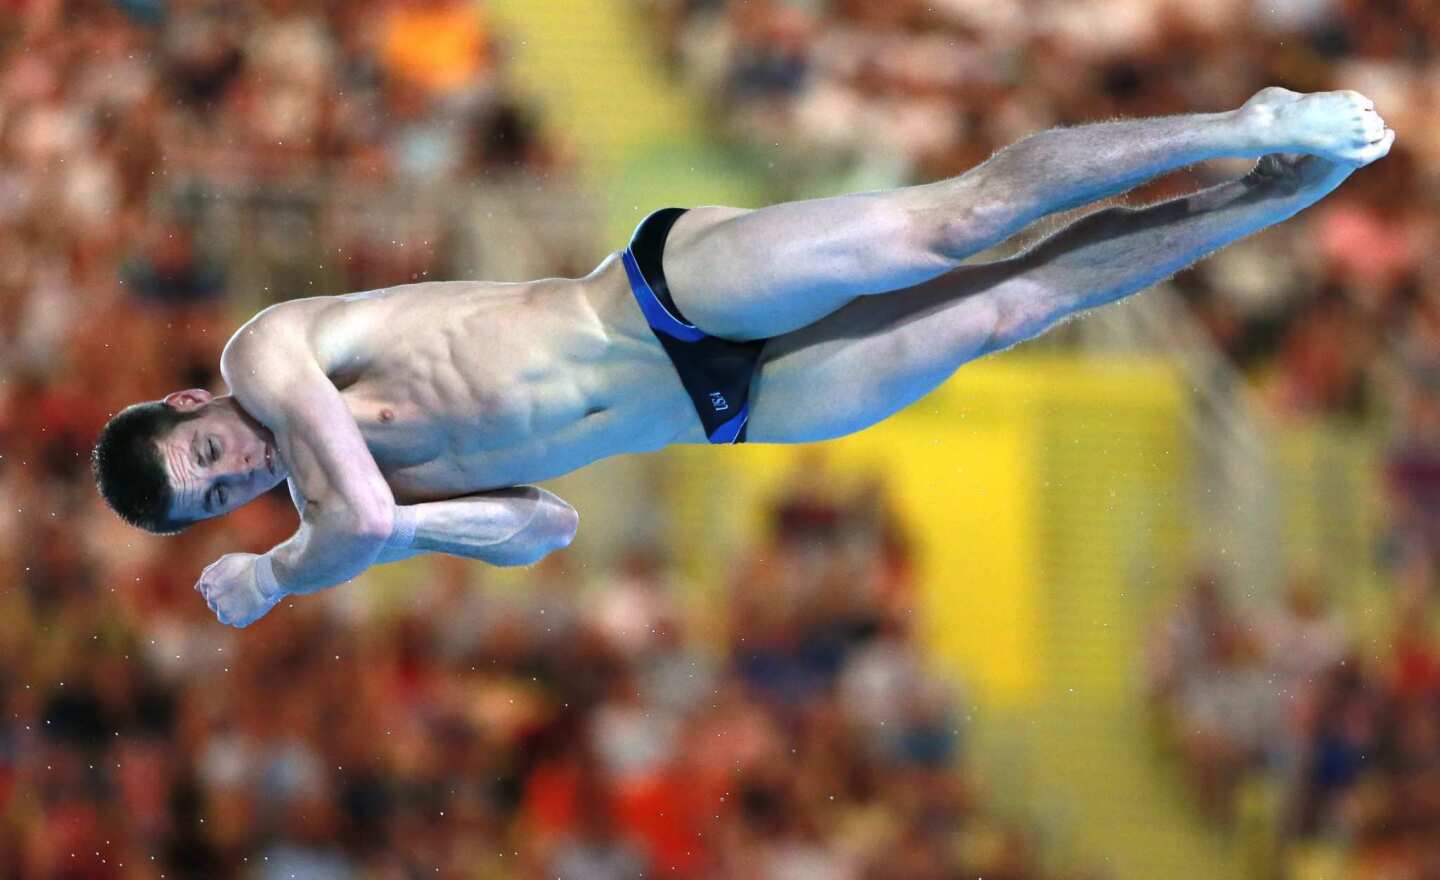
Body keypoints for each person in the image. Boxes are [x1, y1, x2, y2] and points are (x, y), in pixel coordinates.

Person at [91, 87, 1393, 628]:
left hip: (653, 300)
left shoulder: (269, 357)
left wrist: (279, 568)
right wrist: (397, 534)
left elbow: (354, 512)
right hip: (730, 409)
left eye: (207, 452)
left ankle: (1239, 121)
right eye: (220, 494)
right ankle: (1286, 187)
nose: (233, 469)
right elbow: (541, 525)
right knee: (1016, 306)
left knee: (964, 222)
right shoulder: (347, 509)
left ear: (193, 398)